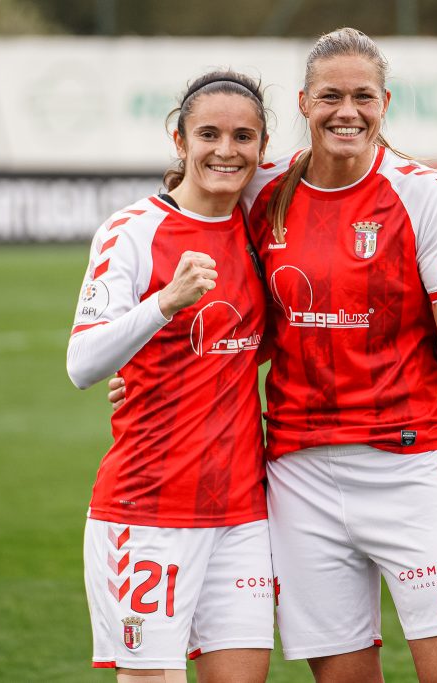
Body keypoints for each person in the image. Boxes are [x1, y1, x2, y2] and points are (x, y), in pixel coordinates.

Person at [111, 27, 437, 683]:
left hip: (409, 467)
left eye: (363, 97)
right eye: (331, 96)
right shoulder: (265, 192)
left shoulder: (424, 194)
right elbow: (230, 304)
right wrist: (150, 372)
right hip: (299, 474)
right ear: (304, 102)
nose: (347, 111)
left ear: (386, 102)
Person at [66, 71, 274, 683]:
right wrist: (164, 306)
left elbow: (244, 342)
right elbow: (82, 363)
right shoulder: (132, 230)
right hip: (147, 508)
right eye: (208, 134)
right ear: (179, 140)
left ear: (262, 148)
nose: (226, 150)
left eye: (244, 136)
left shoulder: (259, 231)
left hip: (241, 513)